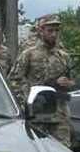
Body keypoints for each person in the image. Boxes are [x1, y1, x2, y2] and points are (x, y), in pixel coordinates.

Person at [9, 14, 75, 145]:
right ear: (41, 31)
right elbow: (14, 80)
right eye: (50, 30)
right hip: (36, 114)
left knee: (63, 151)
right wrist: (27, 99)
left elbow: (74, 81)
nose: (54, 34)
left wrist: (68, 83)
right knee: (36, 149)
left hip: (59, 113)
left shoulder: (63, 56)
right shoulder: (29, 54)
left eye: (56, 30)